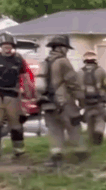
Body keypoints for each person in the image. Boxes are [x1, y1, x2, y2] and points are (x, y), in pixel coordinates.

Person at [0, 32, 33, 166]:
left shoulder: (19, 59)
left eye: (9, 45)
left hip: (14, 97)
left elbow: (25, 78)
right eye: (4, 45)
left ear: (12, 46)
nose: (7, 47)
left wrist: (30, 95)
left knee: (16, 126)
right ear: (0, 46)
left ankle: (19, 152)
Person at [40, 35, 89, 167]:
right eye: (66, 48)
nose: (67, 51)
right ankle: (80, 154)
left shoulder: (45, 61)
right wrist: (81, 100)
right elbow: (73, 83)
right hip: (64, 102)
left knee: (55, 130)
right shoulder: (63, 62)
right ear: (61, 48)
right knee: (74, 126)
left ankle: (56, 156)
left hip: (47, 103)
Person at [77, 50, 106, 146]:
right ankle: (99, 131)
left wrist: (80, 102)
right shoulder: (100, 71)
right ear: (95, 60)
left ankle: (91, 140)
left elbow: (76, 89)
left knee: (89, 120)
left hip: (86, 102)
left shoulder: (79, 72)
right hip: (99, 101)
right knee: (101, 118)